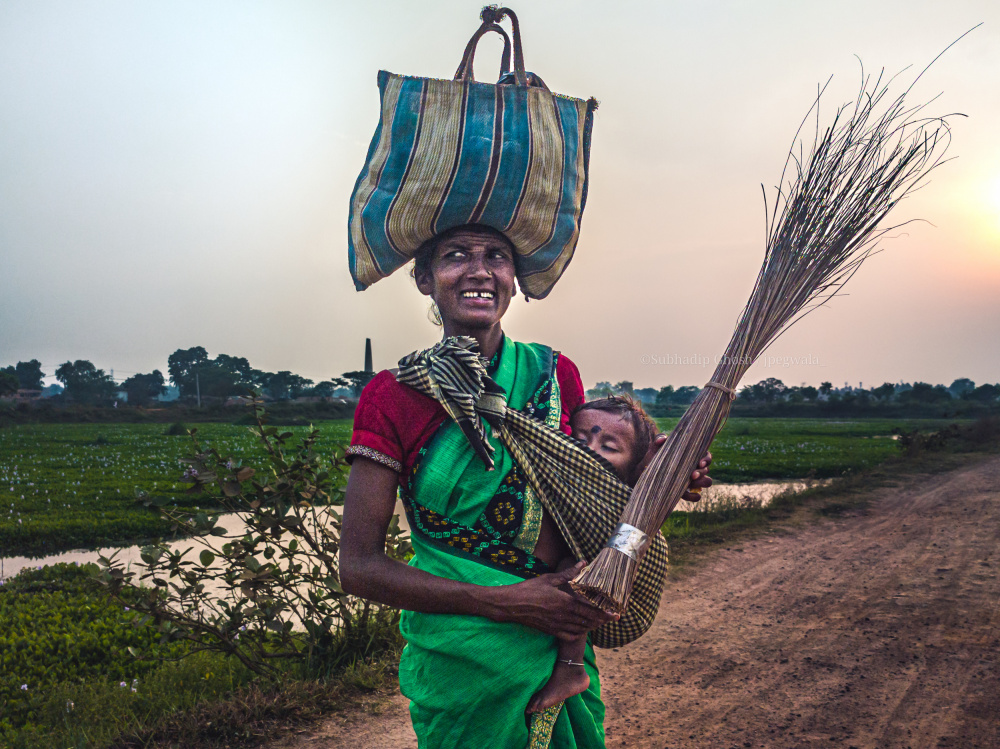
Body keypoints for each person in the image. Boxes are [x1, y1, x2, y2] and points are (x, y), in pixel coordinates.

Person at [340, 224, 711, 748]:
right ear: (424, 278)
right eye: (456, 256)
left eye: (497, 256)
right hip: (462, 655)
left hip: (556, 638)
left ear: (514, 280)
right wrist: (501, 603)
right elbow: (358, 567)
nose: (479, 271)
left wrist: (658, 475)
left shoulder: (552, 374)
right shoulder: (393, 397)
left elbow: (589, 492)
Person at [527, 396, 682, 713]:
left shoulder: (626, 501)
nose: (589, 451)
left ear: (634, 466)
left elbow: (638, 536)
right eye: (578, 439)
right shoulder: (554, 474)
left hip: (607, 571)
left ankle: (571, 667)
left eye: (609, 447)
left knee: (573, 569)